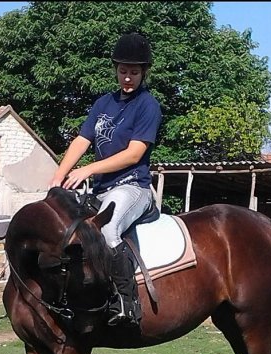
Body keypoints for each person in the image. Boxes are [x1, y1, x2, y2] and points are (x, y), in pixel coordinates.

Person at [50, 32, 162, 327]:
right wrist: (58, 177)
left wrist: (88, 169)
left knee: (108, 230)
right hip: (101, 189)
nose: (127, 78)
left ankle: (127, 303)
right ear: (116, 69)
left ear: (144, 73)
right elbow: (82, 140)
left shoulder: (148, 105)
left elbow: (134, 154)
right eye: (123, 71)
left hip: (132, 186)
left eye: (134, 72)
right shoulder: (103, 103)